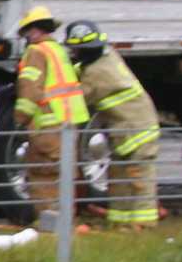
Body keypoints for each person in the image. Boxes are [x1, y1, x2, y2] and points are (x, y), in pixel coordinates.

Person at [65, 20, 161, 227]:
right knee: (119, 181)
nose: (75, 53)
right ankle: (121, 225)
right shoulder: (108, 56)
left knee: (138, 180)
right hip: (126, 131)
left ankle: (143, 227)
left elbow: (77, 102)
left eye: (76, 50)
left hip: (137, 132)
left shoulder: (98, 74)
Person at [14, 5, 92, 214]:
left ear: (33, 30)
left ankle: (49, 227)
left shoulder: (36, 51)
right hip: (68, 124)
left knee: (43, 176)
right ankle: (65, 223)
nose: (26, 38)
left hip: (47, 125)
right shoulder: (58, 50)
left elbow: (30, 89)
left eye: (26, 33)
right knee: (64, 175)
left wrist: (20, 118)